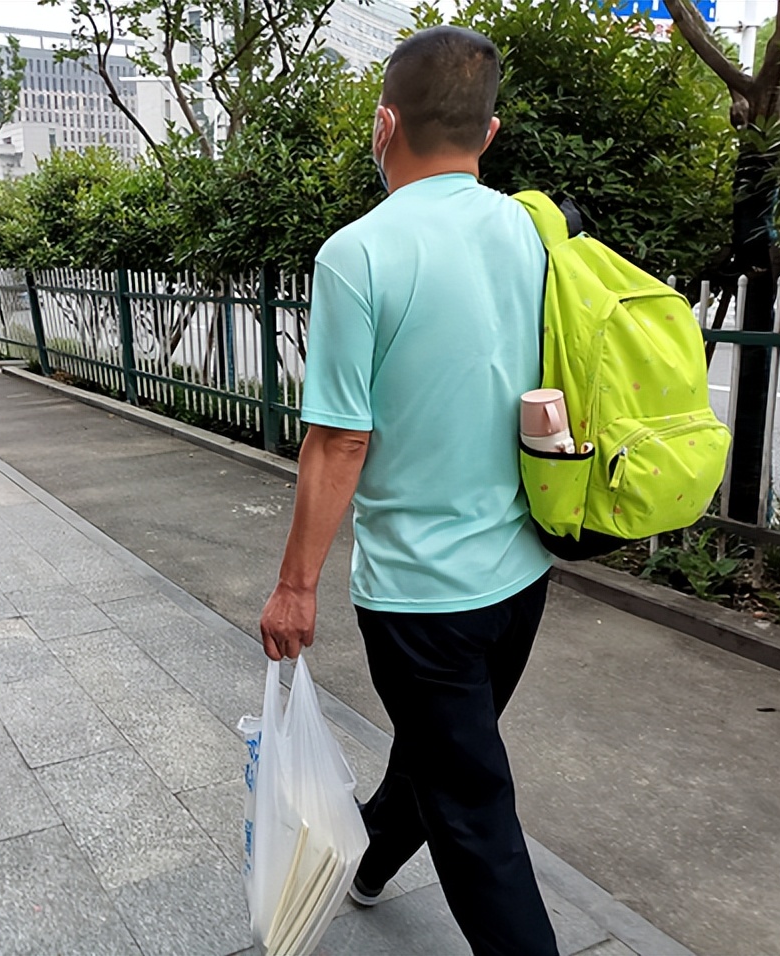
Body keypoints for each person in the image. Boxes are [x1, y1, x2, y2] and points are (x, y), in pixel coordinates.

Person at [258, 26, 559, 956]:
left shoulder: (357, 253)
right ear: (490, 132)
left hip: (421, 599)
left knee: (475, 815)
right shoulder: (531, 230)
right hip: (521, 575)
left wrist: (297, 585)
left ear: (384, 123)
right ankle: (376, 858)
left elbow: (341, 437)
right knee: (445, 748)